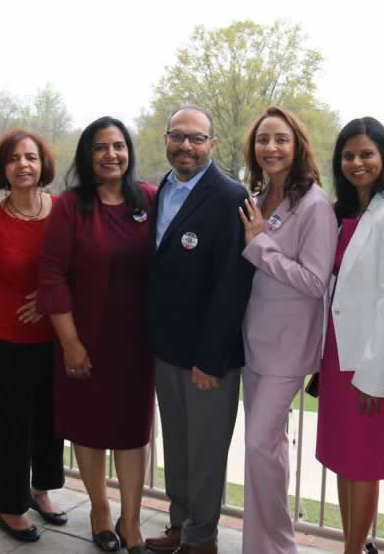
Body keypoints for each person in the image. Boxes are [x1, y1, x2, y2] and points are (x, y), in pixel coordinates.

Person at [38, 117, 156, 554]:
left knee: (132, 431)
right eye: (101, 147)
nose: (111, 155)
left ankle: (132, 519)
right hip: (83, 339)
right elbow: (52, 276)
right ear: (87, 156)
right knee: (88, 428)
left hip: (137, 343)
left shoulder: (149, 199)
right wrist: (70, 343)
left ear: (129, 152)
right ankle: (100, 510)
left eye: (119, 146)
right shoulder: (70, 206)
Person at [143, 106, 254, 554]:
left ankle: (201, 538)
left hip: (209, 359)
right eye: (178, 136)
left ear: (213, 144)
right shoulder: (162, 190)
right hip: (167, 349)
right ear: (166, 140)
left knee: (206, 453)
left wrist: (210, 358)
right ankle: (180, 525)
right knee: (177, 447)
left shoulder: (230, 197)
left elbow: (233, 284)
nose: (186, 145)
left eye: (196, 138)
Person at [237, 107, 338, 554]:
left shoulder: (314, 205)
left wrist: (261, 245)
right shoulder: (258, 199)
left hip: (287, 347)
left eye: (281, 139)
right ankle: (258, 545)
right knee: (266, 448)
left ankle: (279, 546)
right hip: (253, 340)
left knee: (260, 444)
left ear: (297, 146)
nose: (271, 148)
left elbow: (315, 281)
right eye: (263, 140)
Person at [316, 117, 384, 554]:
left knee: (363, 464)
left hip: (370, 360)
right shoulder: (341, 214)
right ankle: (352, 546)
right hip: (336, 353)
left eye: (366, 154)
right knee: (343, 461)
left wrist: (374, 377)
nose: (357, 163)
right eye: (348, 155)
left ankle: (353, 549)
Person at [0, 130, 65, 543]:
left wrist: (48, 298)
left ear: (43, 164)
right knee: (11, 427)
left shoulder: (62, 212)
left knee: (50, 420)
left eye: (30, 157)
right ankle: (10, 508)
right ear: (2, 169)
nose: (23, 165)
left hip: (55, 334)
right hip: (5, 338)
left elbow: (78, 270)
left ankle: (41, 489)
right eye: (13, 158)